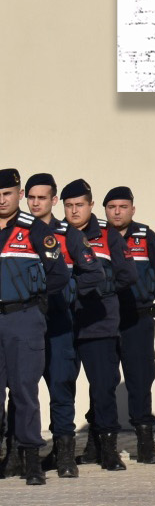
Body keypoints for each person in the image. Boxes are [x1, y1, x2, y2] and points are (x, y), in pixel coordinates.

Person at [24, 173, 104, 479]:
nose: (36, 203)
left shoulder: (67, 234)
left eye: (42, 198)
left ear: (54, 200)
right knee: (21, 388)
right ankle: (19, 454)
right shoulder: (18, 231)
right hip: (23, 323)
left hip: (57, 324)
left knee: (61, 386)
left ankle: (65, 454)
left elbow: (94, 273)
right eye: (31, 197)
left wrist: (67, 292)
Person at [0, 167, 72, 486]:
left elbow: (59, 274)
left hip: (24, 319)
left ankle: (31, 461)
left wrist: (37, 299)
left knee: (24, 390)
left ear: (18, 195)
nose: (2, 200)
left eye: (7, 194)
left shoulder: (34, 230)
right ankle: (7, 456)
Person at [60, 180, 135, 471]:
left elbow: (127, 274)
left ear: (91, 205)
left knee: (103, 389)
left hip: (99, 325)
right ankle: (63, 451)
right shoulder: (54, 234)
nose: (74, 210)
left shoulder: (107, 235)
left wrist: (99, 291)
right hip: (64, 325)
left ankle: (108, 450)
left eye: (80, 205)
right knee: (62, 387)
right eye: (69, 205)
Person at [99, 186, 155, 466]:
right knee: (102, 380)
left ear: (132, 209)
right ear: (105, 210)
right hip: (103, 319)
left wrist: (142, 297)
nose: (117, 212)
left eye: (123, 207)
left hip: (137, 319)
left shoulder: (147, 237)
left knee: (140, 379)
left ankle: (145, 443)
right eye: (111, 207)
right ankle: (100, 444)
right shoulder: (95, 236)